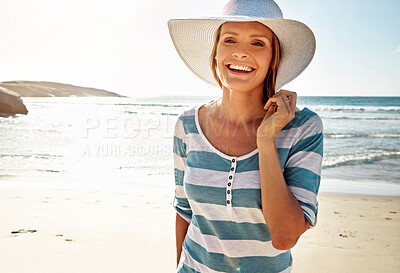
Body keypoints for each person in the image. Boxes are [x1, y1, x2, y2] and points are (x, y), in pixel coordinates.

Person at [168, 0, 323, 272]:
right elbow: (184, 213)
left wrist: (266, 141)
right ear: (215, 52)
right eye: (230, 40)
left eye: (257, 43)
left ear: (274, 57)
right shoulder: (187, 124)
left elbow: (285, 236)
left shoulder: (303, 128)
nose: (240, 53)